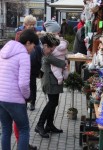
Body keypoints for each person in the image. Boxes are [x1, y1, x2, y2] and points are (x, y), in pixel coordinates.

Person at [0, 29, 39, 150]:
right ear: (28, 42)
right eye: (33, 45)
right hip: (15, 100)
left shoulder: (3, 51)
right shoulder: (24, 56)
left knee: (6, 130)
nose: (34, 48)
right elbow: (23, 84)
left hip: (1, 97)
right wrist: (28, 96)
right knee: (24, 129)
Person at [35, 20, 68, 138]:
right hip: (50, 80)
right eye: (52, 47)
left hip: (54, 80)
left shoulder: (50, 42)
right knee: (52, 102)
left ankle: (49, 125)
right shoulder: (46, 49)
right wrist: (64, 63)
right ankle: (39, 125)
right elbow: (59, 62)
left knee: (54, 103)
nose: (53, 48)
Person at [15, 15, 41, 150]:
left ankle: (21, 143)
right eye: (29, 24)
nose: (31, 26)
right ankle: (23, 144)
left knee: (9, 126)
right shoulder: (22, 52)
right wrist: (27, 96)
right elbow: (23, 84)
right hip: (17, 90)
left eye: (33, 24)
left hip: (9, 94)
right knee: (22, 123)